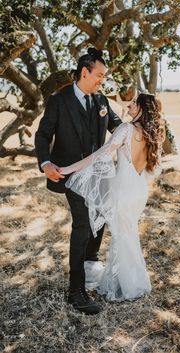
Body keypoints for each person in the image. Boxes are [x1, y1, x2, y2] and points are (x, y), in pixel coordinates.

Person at [34, 48, 122, 314]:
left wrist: (143, 125)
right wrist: (45, 162)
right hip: (70, 175)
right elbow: (42, 135)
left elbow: (118, 128)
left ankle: (89, 262)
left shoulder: (101, 101)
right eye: (100, 75)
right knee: (82, 223)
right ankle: (76, 290)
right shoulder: (58, 100)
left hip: (98, 174)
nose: (102, 81)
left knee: (102, 218)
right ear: (85, 72)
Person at [59, 93, 165, 302]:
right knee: (128, 235)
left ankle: (127, 286)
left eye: (134, 102)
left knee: (122, 236)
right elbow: (155, 170)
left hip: (122, 191)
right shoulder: (153, 134)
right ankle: (131, 280)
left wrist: (70, 168)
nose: (129, 104)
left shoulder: (126, 129)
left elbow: (102, 153)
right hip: (138, 191)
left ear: (143, 108)